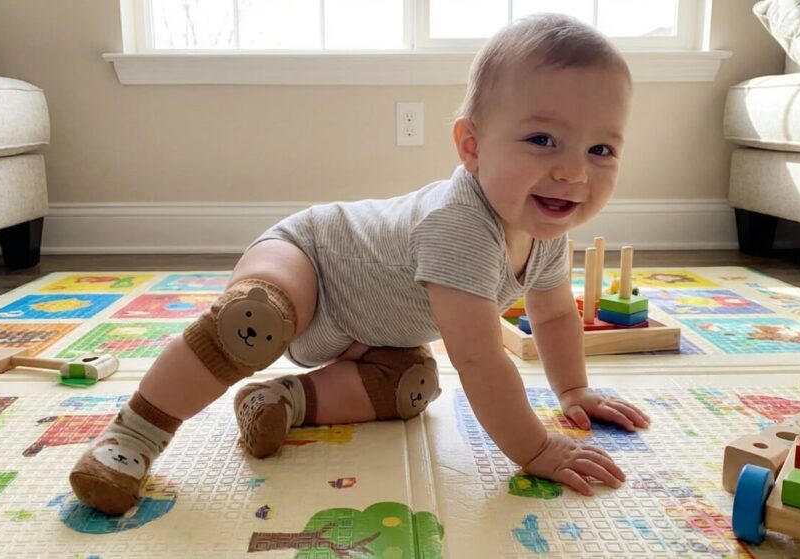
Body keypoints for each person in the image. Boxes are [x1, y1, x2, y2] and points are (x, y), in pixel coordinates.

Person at [69, 13, 650, 515]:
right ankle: (133, 437)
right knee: (252, 324)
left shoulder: (547, 234)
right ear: (471, 146)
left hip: (370, 332)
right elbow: (478, 359)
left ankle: (283, 402)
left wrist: (573, 389)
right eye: (543, 140)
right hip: (309, 262)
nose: (573, 172)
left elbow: (552, 319)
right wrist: (537, 448)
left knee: (412, 387)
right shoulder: (461, 225)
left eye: (600, 150)